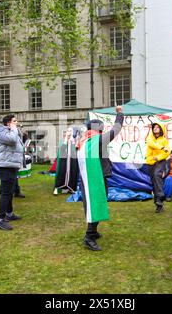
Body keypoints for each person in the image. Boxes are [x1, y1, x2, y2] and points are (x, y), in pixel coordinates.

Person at [78, 105, 124, 251]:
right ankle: (89, 236)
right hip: (96, 179)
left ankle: (94, 231)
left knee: (95, 204)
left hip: (90, 178)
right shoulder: (97, 139)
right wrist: (120, 114)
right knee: (96, 204)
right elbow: (115, 130)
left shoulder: (85, 140)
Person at [0, 115, 24, 231]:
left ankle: (9, 214)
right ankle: (0, 220)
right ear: (8, 123)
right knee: (6, 193)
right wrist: (14, 129)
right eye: (14, 121)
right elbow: (12, 140)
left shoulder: (11, 131)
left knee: (10, 191)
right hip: (5, 166)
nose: (17, 123)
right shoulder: (1, 133)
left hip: (12, 165)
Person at [146, 122, 170, 213]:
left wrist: (158, 157)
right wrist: (161, 148)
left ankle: (161, 196)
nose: (155, 128)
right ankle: (158, 204)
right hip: (150, 162)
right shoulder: (150, 138)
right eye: (154, 127)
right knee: (154, 182)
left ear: (161, 129)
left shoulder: (164, 140)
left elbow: (167, 152)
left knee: (157, 176)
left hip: (160, 162)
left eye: (157, 127)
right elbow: (151, 144)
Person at [54, 127, 79, 195]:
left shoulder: (74, 141)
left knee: (72, 172)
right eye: (68, 131)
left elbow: (75, 150)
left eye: (70, 131)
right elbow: (62, 150)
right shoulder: (62, 140)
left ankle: (69, 188)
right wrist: (66, 140)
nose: (69, 132)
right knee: (61, 172)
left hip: (71, 160)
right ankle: (57, 188)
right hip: (63, 160)